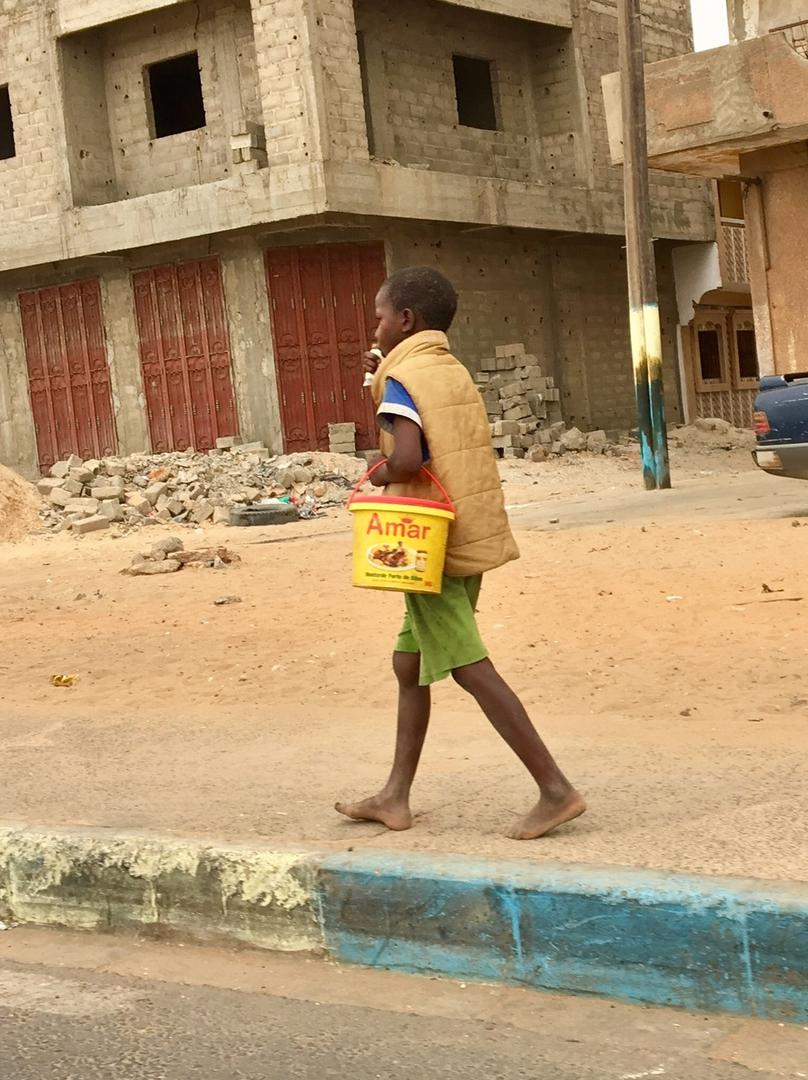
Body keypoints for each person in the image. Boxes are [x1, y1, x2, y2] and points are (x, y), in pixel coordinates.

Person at [336, 267, 585, 840]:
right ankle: (394, 796)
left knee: (469, 666)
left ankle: (555, 789)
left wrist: (374, 470)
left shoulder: (404, 377)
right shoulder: (448, 369)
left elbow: (405, 460)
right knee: (410, 663)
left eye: (378, 317)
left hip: (426, 546)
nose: (373, 328)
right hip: (464, 531)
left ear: (405, 321)